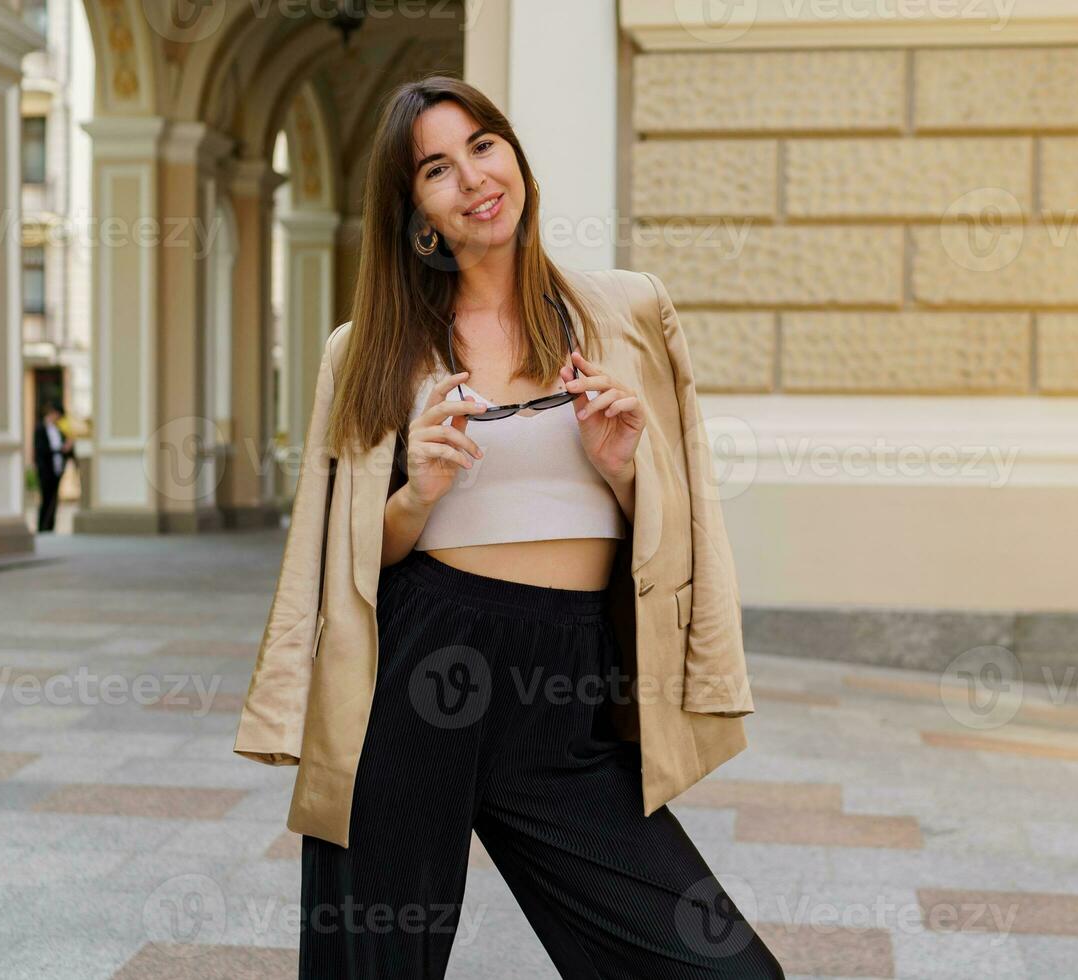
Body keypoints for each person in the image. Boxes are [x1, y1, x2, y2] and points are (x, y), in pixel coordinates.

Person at [287, 76, 785, 978]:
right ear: (418, 217)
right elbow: (348, 559)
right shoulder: (367, 350)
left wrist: (624, 465)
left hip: (569, 683)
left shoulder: (626, 311)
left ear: (512, 153)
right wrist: (418, 490)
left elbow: (678, 521)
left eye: (483, 144)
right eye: (437, 168)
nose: (474, 175)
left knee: (723, 970)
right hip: (419, 672)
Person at [32, 401, 72, 533]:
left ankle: (50, 527)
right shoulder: (40, 429)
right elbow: (41, 450)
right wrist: (61, 449)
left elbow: (67, 449)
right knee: (46, 499)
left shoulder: (59, 430)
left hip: (57, 470)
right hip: (45, 470)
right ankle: (42, 527)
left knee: (54, 500)